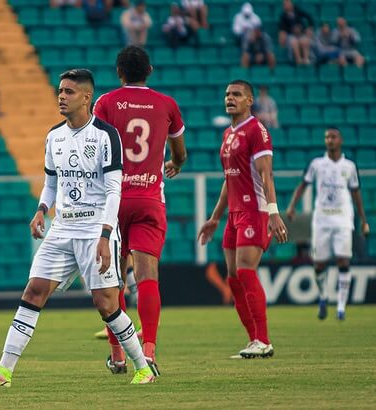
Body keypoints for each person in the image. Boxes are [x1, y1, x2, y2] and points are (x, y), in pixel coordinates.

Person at [0, 69, 156, 387]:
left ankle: (143, 368)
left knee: (106, 303)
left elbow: (114, 191)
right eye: (59, 91)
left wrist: (107, 236)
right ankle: (3, 371)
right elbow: (52, 184)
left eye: (68, 91)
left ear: (86, 97)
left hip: (96, 230)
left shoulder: (106, 136)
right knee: (34, 291)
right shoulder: (54, 136)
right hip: (62, 229)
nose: (61, 96)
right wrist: (41, 210)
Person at [93, 45, 187, 373]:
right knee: (147, 276)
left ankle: (118, 354)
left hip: (113, 200)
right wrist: (173, 163)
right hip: (149, 199)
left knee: (112, 279)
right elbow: (180, 153)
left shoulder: (105, 103)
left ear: (120, 73)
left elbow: (96, 150)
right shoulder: (167, 105)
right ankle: (148, 351)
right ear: (149, 70)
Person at [198, 80, 288, 359]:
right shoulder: (228, 133)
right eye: (227, 94)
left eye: (236, 94)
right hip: (234, 214)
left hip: (256, 210)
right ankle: (253, 341)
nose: (230, 98)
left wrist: (273, 210)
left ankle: (264, 339)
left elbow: (266, 173)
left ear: (250, 100)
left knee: (246, 271)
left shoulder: (256, 130)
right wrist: (214, 218)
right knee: (234, 278)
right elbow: (229, 180)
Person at [286, 128, 369, 321]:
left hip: (342, 218)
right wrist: (292, 206)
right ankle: (323, 297)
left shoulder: (349, 166)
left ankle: (341, 307)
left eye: (333, 137)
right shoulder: (317, 164)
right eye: (327, 138)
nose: (329, 140)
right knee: (319, 264)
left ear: (340, 140)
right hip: (322, 219)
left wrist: (363, 219)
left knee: (343, 260)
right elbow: (303, 185)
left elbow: (356, 193)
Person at [278, 0, 314, 65]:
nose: (286, 5)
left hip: (301, 34)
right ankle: (298, 60)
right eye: (284, 4)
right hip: (290, 35)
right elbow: (283, 29)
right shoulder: (283, 16)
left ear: (291, 4)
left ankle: (306, 59)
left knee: (305, 41)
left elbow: (309, 17)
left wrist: (309, 28)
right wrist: (292, 30)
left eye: (287, 3)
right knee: (294, 42)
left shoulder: (298, 11)